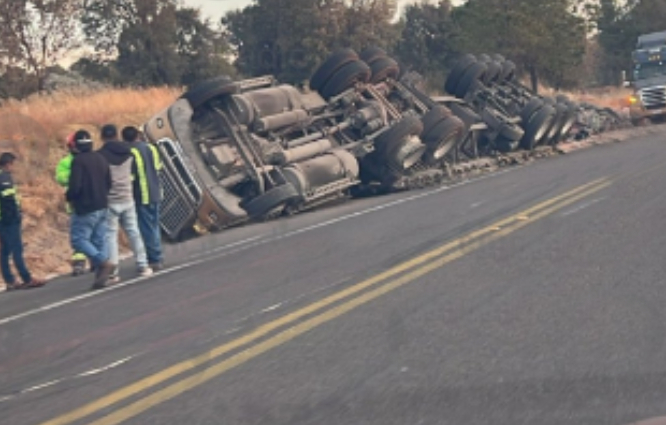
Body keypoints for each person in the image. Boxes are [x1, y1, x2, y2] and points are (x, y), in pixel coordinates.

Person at [97, 124, 153, 283]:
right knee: (134, 232)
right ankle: (143, 265)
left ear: (102, 137)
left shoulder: (100, 156)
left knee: (110, 236)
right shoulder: (128, 152)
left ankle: (113, 273)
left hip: (110, 201)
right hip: (127, 198)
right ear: (116, 135)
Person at [66, 130, 115, 289]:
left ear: (75, 145)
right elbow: (109, 182)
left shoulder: (78, 161)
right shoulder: (101, 158)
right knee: (99, 239)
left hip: (86, 207)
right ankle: (102, 277)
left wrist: (69, 197)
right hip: (102, 204)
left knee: (78, 239)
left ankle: (102, 262)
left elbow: (75, 186)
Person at [0, 152, 46, 290]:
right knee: (16, 249)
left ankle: (10, 280)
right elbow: (8, 201)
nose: (14, 167)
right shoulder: (4, 178)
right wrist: (15, 216)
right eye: (13, 164)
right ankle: (26, 278)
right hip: (8, 220)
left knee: (5, 250)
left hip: (3, 219)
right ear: (8, 164)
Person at [122, 125, 164, 271]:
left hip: (142, 195)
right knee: (154, 225)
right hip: (156, 192)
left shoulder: (130, 152)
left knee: (146, 228)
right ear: (137, 135)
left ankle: (154, 258)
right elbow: (158, 168)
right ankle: (157, 255)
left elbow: (130, 177)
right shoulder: (151, 148)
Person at [55, 133, 91, 276]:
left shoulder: (88, 158)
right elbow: (61, 178)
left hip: (91, 201)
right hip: (77, 204)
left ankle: (95, 261)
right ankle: (79, 263)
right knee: (79, 236)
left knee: (90, 235)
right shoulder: (65, 163)